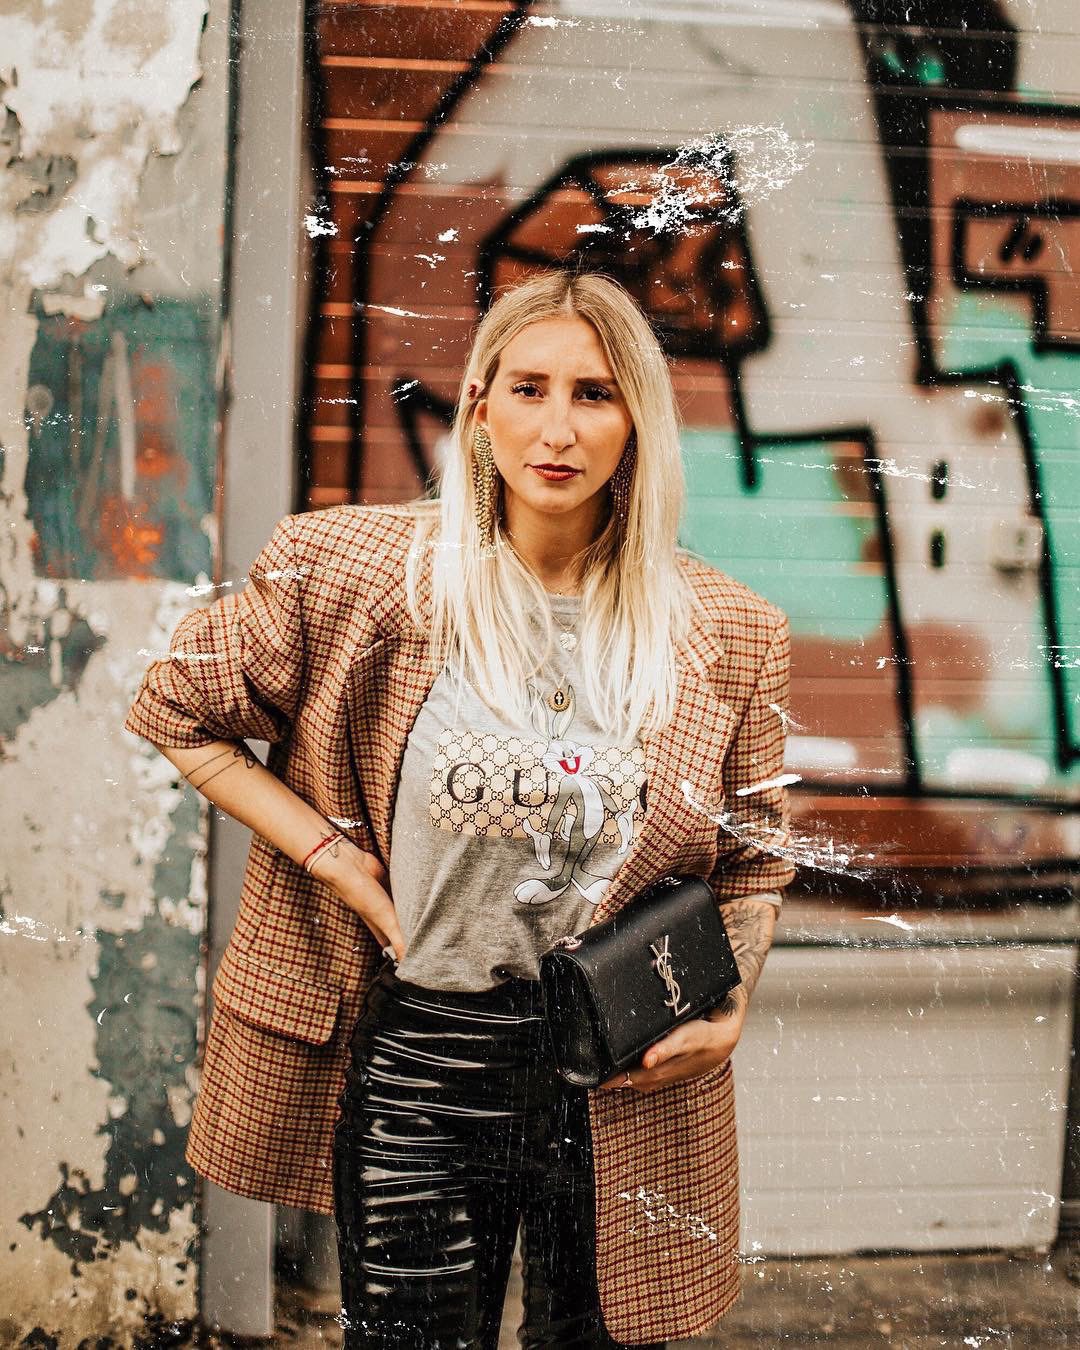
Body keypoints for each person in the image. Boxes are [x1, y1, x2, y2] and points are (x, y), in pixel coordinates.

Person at [124, 270, 796, 1347]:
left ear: (638, 422)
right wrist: (331, 857)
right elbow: (174, 708)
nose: (558, 429)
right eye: (529, 388)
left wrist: (734, 1002)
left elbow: (753, 864)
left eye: (595, 394)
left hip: (623, 1075)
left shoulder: (731, 629)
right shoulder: (355, 571)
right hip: (424, 1062)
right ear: (479, 407)